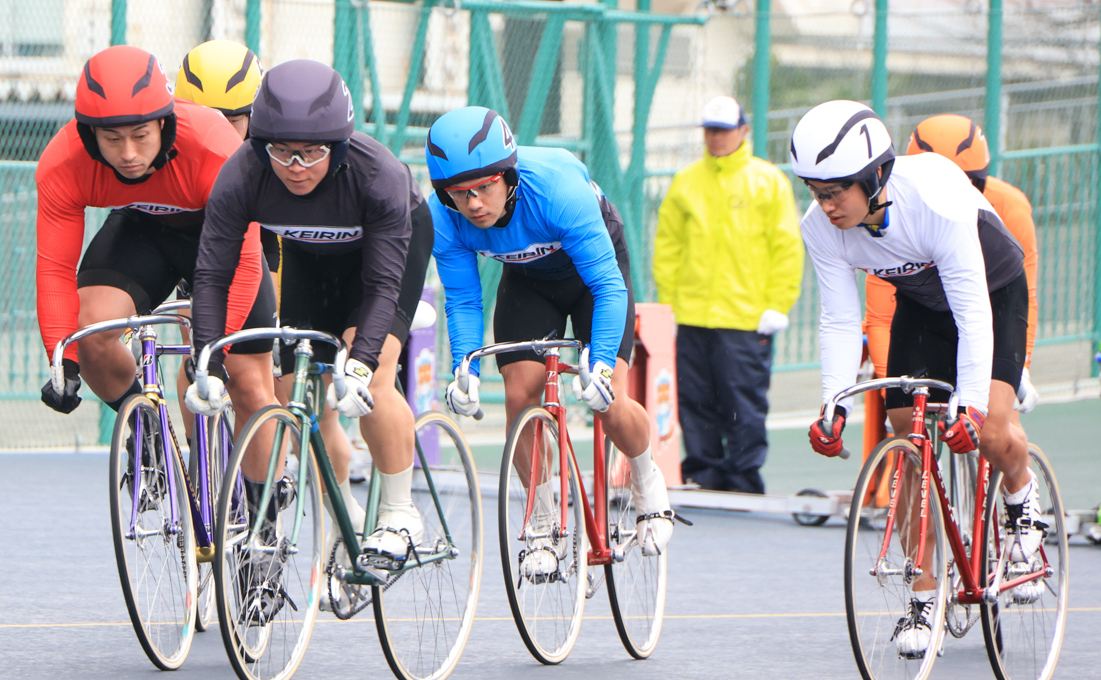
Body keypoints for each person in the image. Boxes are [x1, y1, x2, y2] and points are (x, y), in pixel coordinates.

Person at [793, 100, 1046, 658]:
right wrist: (832, 404)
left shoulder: (933, 200)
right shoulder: (822, 228)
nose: (826, 204)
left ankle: (1023, 498)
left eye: (836, 190)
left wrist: (975, 406)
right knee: (907, 433)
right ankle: (925, 596)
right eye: (816, 190)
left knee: (991, 430)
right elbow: (838, 317)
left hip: (991, 295)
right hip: (923, 308)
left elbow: (973, 313)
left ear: (876, 175)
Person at [187, 60, 431, 562]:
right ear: (260, 145)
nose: (295, 167)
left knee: (372, 377)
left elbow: (383, 282)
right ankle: (343, 517)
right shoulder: (242, 176)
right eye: (281, 152)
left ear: (338, 146)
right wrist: (206, 362)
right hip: (311, 257)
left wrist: (361, 358)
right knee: (300, 400)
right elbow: (212, 276)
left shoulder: (378, 175)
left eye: (311, 153)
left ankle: (400, 511)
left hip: (382, 261)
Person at [428, 105, 676, 558]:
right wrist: (465, 364)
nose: (474, 204)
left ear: (508, 174)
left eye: (484, 187)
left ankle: (646, 478)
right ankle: (541, 521)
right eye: (459, 194)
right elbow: (463, 299)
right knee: (520, 395)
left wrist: (599, 365)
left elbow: (606, 285)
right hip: (527, 281)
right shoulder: (443, 217)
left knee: (609, 401)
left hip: (593, 280)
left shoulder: (558, 191)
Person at [34, 45, 276, 438]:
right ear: (88, 135)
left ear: (165, 123)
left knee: (246, 382)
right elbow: (55, 268)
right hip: (142, 228)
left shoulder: (216, 149)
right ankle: (148, 433)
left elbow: (246, 264)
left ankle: (261, 494)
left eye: (141, 135)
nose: (129, 154)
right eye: (112, 139)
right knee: (91, 332)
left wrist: (212, 355)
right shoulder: (64, 163)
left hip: (217, 236)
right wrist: (63, 359)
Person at [651, 94, 803, 495]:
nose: (716, 138)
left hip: (746, 316)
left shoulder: (768, 181)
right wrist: (668, 303)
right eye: (711, 131)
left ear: (743, 131)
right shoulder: (687, 182)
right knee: (695, 398)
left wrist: (777, 304)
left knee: (742, 400)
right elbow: (668, 248)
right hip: (692, 314)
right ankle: (704, 471)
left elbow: (786, 248)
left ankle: (742, 477)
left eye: (724, 130)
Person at [866, 114, 1041, 408]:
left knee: (996, 430)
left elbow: (1027, 296)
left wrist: (1021, 367)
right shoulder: (890, 214)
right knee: (905, 420)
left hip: (993, 309)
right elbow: (881, 315)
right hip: (927, 317)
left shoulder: (1011, 206)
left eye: (966, 183)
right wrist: (892, 396)